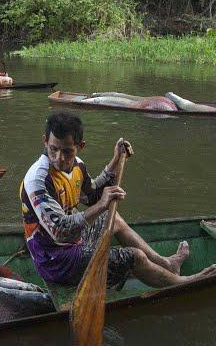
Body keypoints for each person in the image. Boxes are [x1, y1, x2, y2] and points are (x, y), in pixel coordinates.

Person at [19, 111, 216, 288]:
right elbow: (60, 232)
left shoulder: (77, 165)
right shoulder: (39, 179)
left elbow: (91, 194)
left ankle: (167, 264)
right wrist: (102, 204)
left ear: (80, 146)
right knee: (135, 257)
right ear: (45, 141)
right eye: (54, 149)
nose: (59, 158)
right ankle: (182, 282)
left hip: (73, 241)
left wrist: (115, 162)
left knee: (113, 219)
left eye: (67, 151)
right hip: (55, 259)